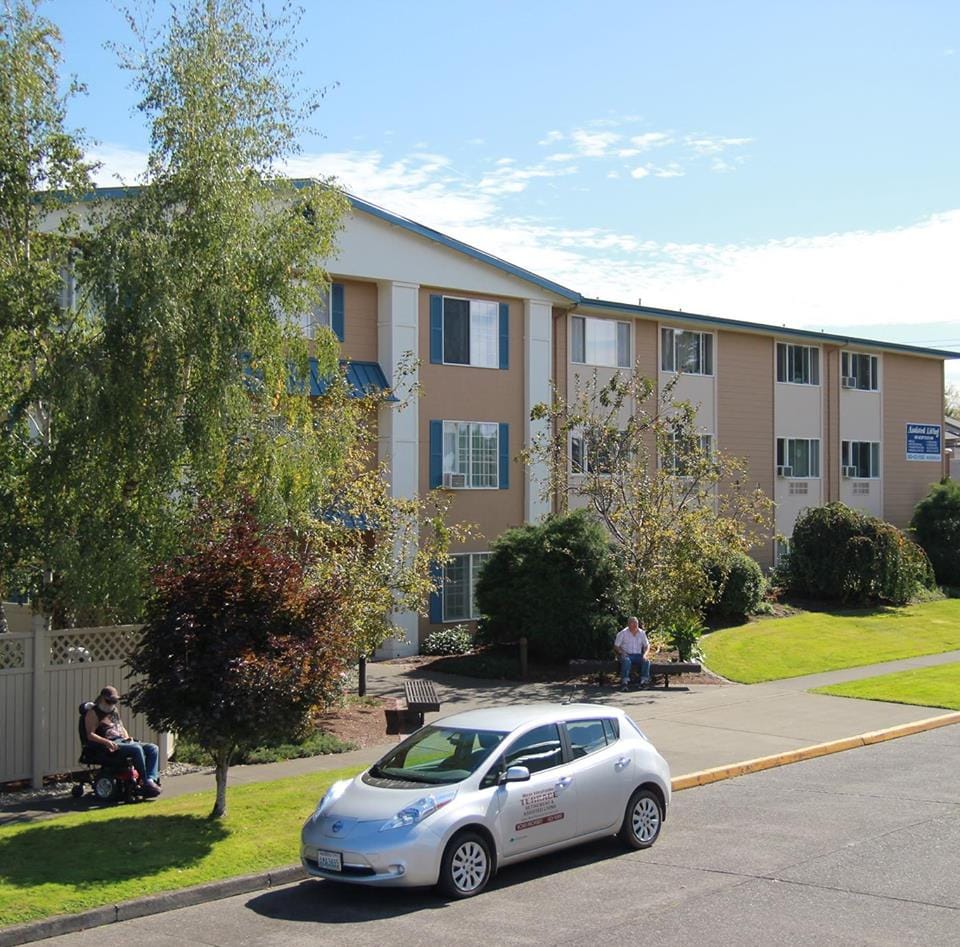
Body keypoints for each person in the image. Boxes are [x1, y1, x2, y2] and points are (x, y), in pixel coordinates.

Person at [84, 685, 162, 797]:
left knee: (152, 748)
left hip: (122, 741)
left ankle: (150, 779)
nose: (112, 704)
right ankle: (145, 781)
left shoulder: (114, 710)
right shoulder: (93, 713)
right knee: (136, 749)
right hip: (108, 744)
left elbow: (121, 727)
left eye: (114, 701)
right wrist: (107, 742)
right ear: (102, 699)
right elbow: (90, 735)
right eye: (109, 701)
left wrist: (127, 737)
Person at [614, 617, 651, 692]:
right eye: (632, 623)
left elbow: (647, 645)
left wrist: (645, 655)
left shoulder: (642, 633)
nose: (635, 625)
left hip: (638, 655)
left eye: (636, 623)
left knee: (646, 661)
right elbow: (616, 646)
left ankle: (644, 682)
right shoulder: (623, 633)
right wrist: (622, 653)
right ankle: (624, 682)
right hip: (626, 654)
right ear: (628, 624)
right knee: (626, 661)